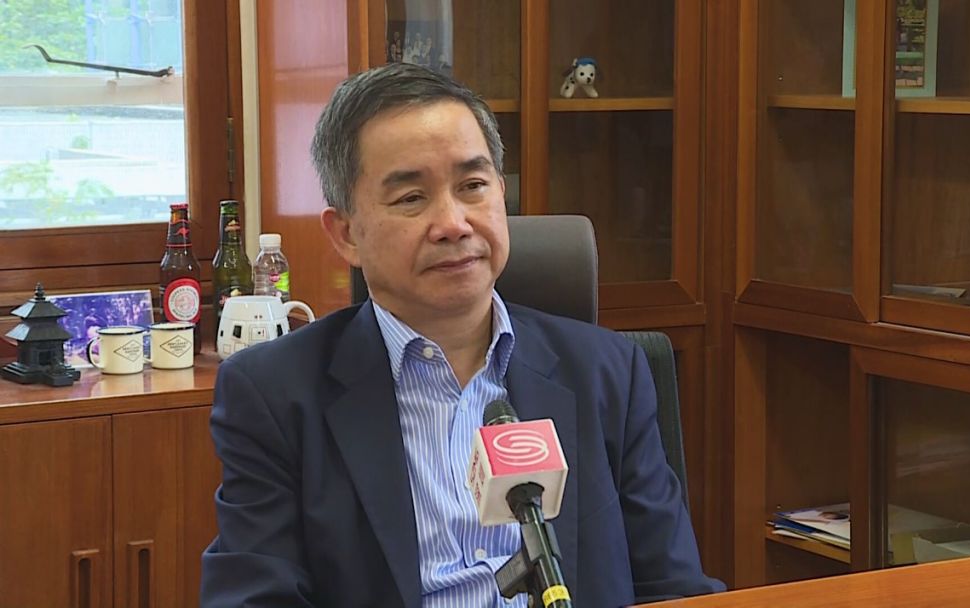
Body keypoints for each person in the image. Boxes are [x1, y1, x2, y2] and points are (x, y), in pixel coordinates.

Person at [200, 62, 724, 607]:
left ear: (501, 193)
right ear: (347, 234)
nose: (453, 223)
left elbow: (676, 590)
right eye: (411, 198)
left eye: (473, 186)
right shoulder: (276, 395)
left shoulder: (607, 372)